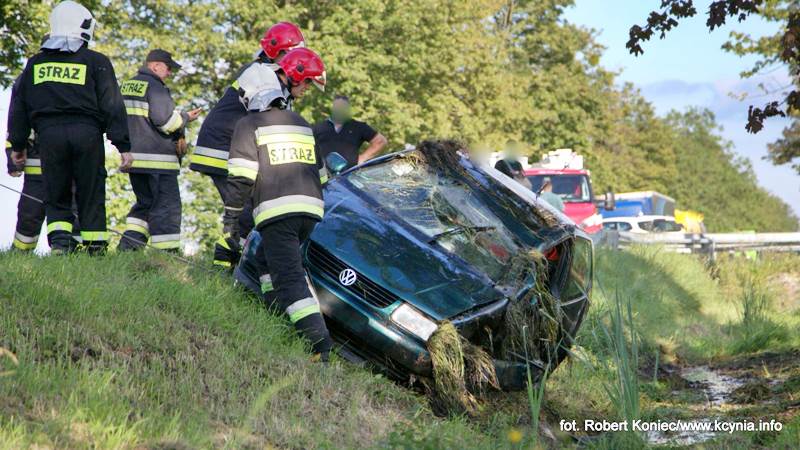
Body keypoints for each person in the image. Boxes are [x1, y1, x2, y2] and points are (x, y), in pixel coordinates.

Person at [222, 50, 332, 360]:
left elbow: (242, 178)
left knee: (290, 277)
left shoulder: (249, 124)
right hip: (310, 211)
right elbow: (322, 175)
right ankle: (274, 316)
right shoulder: (301, 123)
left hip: (277, 213)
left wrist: (231, 221)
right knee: (264, 261)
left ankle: (319, 347)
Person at [7, 0, 131, 254]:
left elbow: (19, 107)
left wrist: (17, 145)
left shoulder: (35, 63)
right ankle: (96, 249)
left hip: (49, 137)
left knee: (56, 192)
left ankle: (61, 246)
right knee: (91, 190)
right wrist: (124, 146)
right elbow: (112, 106)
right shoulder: (96, 61)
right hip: (87, 134)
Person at [190, 22, 306, 268]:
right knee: (246, 210)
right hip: (224, 147)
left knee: (249, 210)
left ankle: (229, 263)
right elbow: (265, 119)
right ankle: (227, 266)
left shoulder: (270, 75)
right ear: (282, 53)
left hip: (230, 146)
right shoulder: (262, 74)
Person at [117, 50, 201, 252]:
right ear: (155, 66)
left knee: (144, 205)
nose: (170, 73)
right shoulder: (155, 86)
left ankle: (128, 249)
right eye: (168, 68)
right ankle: (168, 255)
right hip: (159, 162)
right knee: (166, 208)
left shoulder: (127, 85)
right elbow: (166, 122)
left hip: (135, 161)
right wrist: (185, 117)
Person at [313, 95, 387, 169]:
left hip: (350, 175)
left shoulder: (358, 126)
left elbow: (380, 141)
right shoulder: (319, 127)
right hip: (323, 175)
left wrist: (363, 158)